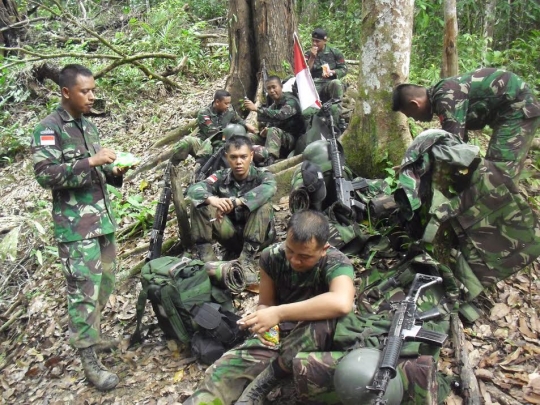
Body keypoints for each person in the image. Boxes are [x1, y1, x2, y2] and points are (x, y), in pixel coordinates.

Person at [182, 210, 356, 405]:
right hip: (282, 333)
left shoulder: (335, 261)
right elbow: (266, 302)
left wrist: (278, 313)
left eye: (305, 256)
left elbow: (341, 302)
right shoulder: (272, 256)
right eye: (290, 250)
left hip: (322, 334)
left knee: (323, 322)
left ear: (324, 249)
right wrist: (265, 320)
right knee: (223, 371)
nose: (294, 260)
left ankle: (266, 381)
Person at [30, 64, 130, 391]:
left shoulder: (88, 126)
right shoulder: (49, 128)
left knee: (105, 285)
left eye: (93, 90)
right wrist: (92, 162)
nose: (91, 96)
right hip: (75, 228)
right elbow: (45, 174)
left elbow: (96, 171)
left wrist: (113, 173)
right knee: (83, 293)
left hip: (101, 220)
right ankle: (88, 360)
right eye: (85, 91)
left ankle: (94, 336)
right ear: (66, 92)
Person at [392, 67, 540, 181]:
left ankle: (509, 216)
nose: (416, 120)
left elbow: (452, 148)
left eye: (411, 115)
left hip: (518, 107)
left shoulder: (445, 97)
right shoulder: (442, 94)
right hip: (508, 111)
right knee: (492, 171)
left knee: (499, 173)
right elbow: (461, 142)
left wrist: (415, 168)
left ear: (414, 104)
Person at [187, 135, 276, 284]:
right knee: (199, 203)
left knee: (264, 204)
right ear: (227, 157)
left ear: (251, 156)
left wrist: (238, 202)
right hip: (231, 236)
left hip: (260, 239)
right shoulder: (220, 177)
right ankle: (207, 258)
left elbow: (270, 188)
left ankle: (246, 260)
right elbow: (193, 190)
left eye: (243, 156)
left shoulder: (262, 175)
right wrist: (212, 199)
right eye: (234, 157)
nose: (238, 162)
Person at [171, 90, 265, 169]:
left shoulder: (229, 110)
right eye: (226, 103)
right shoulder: (204, 113)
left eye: (229, 103)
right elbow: (212, 132)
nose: (228, 106)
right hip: (205, 142)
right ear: (217, 102)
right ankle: (174, 168)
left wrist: (250, 127)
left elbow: (238, 120)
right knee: (186, 143)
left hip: (224, 141)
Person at [244, 76, 305, 165]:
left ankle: (270, 161)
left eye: (274, 87)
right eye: (269, 88)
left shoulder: (291, 101)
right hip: (276, 141)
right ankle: (248, 160)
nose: (272, 91)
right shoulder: (273, 106)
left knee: (273, 131)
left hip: (292, 141)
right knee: (250, 137)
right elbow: (268, 122)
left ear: (281, 86)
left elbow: (281, 115)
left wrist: (257, 109)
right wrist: (264, 131)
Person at [305, 28, 348, 123]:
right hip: (314, 84)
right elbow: (306, 73)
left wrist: (333, 72)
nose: (314, 44)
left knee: (337, 83)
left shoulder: (334, 52)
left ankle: (336, 116)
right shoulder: (308, 54)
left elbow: (344, 69)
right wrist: (312, 58)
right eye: (313, 41)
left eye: (318, 41)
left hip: (329, 83)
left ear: (325, 41)